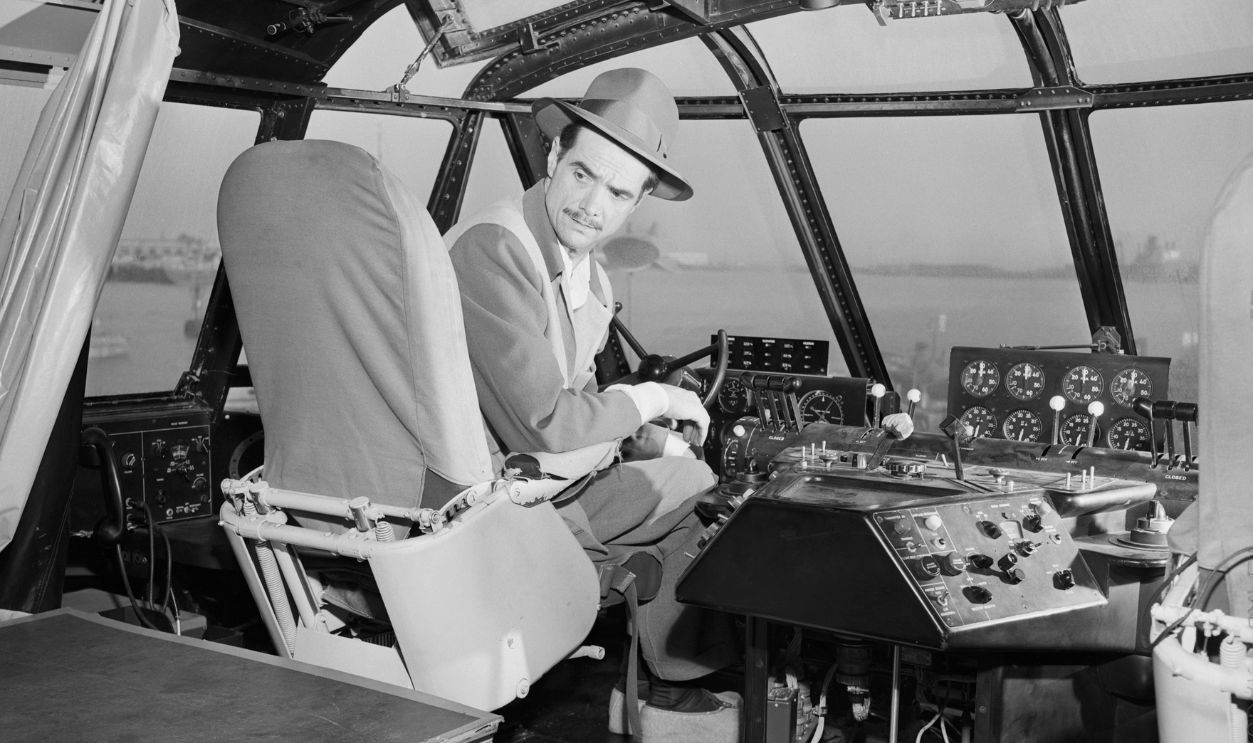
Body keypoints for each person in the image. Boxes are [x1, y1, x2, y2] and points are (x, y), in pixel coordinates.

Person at [446, 68, 911, 740]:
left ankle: (673, 688)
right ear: (553, 157)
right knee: (693, 499)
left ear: (634, 204)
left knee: (694, 481)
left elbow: (578, 404)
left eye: (616, 192)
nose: (591, 205)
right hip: (491, 503)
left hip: (539, 482)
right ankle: (666, 685)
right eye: (581, 175)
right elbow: (545, 423)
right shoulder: (496, 249)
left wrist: (652, 439)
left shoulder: (588, 279)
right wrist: (652, 397)